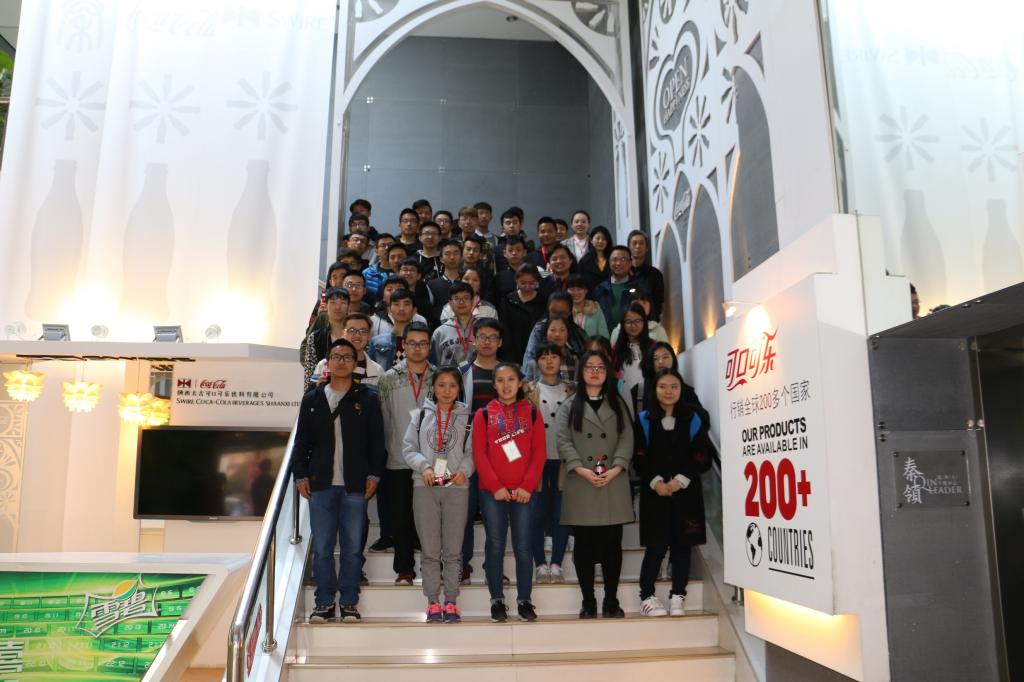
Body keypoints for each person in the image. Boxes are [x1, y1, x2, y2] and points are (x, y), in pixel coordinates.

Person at [295, 338, 385, 623]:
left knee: (352, 548)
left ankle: (348, 602)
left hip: (355, 485)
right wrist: (300, 475)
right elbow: (302, 442)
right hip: (320, 485)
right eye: (336, 356)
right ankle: (323, 603)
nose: (342, 362)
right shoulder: (313, 398)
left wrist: (374, 475)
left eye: (347, 357)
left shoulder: (367, 398)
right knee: (322, 548)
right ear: (328, 362)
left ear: (355, 363)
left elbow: (377, 442)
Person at [556, 350, 634, 619]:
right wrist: (580, 468)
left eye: (600, 367)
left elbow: (627, 438)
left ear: (607, 373)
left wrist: (616, 468)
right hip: (581, 482)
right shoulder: (569, 405)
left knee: (613, 546)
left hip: (613, 481)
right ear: (581, 371)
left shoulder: (617, 403)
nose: (595, 371)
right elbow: (563, 440)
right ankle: (588, 601)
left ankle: (611, 600)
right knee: (584, 548)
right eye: (589, 367)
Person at [472, 362, 546, 622]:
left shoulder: (533, 413)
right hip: (493, 493)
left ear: (520, 383)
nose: (506, 385)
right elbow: (479, 454)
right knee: (495, 545)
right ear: (494, 385)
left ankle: (525, 600)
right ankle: (497, 600)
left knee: (524, 546)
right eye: (501, 380)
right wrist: (496, 487)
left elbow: (539, 453)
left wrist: (527, 486)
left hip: (524, 492)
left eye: (511, 379)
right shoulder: (483, 414)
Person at [636, 369, 712, 617]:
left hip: (686, 495)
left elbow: (701, 455)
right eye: (663, 386)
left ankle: (678, 595)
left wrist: (680, 480)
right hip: (654, 494)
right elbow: (638, 455)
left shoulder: (694, 419)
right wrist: (656, 482)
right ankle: (646, 596)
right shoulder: (643, 419)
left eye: (674, 386)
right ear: (654, 390)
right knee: (655, 546)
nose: (668, 391)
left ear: (681, 390)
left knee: (682, 546)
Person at [403, 367, 475, 623]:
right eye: (441, 385)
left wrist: (464, 471)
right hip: (425, 487)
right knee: (430, 550)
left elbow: (473, 453)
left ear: (459, 389)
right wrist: (424, 467)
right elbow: (408, 448)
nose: (446, 391)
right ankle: (433, 602)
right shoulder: (420, 415)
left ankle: (452, 601)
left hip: (456, 488)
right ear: (433, 388)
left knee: (453, 550)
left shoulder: (468, 418)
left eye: (452, 385)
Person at [377, 322, 434, 584]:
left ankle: (434, 567)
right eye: (412, 343)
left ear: (430, 346)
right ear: (404, 345)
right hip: (398, 459)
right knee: (400, 518)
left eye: (422, 343)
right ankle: (404, 569)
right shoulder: (389, 378)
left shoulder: (440, 377)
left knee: (431, 518)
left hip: (432, 462)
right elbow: (384, 419)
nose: (417, 348)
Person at [458, 317, 503, 585]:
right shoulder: (462, 372)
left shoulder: (508, 373)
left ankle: (493, 567)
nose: (487, 342)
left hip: (499, 455)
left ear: (500, 342)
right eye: (482, 336)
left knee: (495, 516)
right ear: (474, 339)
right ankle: (462, 565)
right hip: (467, 453)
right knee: (463, 514)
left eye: (492, 337)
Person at [525, 342, 574, 585]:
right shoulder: (529, 390)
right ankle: (540, 564)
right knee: (535, 515)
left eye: (554, 356)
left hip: (564, 461)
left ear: (561, 360)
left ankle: (556, 563)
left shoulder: (571, 391)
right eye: (543, 357)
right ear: (537, 362)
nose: (549, 361)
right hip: (537, 462)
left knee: (561, 514)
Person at [498, 264, 547, 364]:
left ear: (537, 282)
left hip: (535, 350)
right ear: (516, 280)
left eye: (531, 283)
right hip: (511, 349)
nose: (527, 286)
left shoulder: (543, 301)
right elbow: (505, 329)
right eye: (523, 283)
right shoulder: (508, 300)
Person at [303, 287, 349, 391]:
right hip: (322, 392)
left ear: (348, 307)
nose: (338, 307)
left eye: (343, 303)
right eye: (332, 302)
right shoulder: (315, 337)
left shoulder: (354, 336)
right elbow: (309, 374)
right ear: (326, 305)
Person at [614, 303, 655, 415]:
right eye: (628, 322)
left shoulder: (653, 346)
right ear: (623, 324)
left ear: (644, 322)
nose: (633, 325)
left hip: (649, 397)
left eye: (637, 321)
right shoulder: (616, 349)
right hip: (624, 398)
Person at [369, 289, 418, 371]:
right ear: (389, 310)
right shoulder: (377, 342)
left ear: (414, 310)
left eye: (406, 304)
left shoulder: (422, 342)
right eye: (396, 304)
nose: (401, 308)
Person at [431, 282, 477, 367]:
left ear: (472, 301)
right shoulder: (440, 332)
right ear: (450, 303)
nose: (461, 302)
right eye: (456, 298)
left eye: (466, 298)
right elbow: (434, 365)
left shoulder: (482, 328)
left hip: (477, 375)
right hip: (448, 375)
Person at [594, 246, 640, 330]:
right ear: (609, 262)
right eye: (614, 259)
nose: (618, 263)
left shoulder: (639, 288)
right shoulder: (600, 289)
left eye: (623, 259)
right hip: (606, 335)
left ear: (630, 263)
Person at [627, 230, 665, 322]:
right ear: (628, 247)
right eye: (634, 243)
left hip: (649, 323)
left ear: (647, 248)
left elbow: (659, 303)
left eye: (641, 243)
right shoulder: (622, 273)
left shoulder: (655, 274)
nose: (638, 246)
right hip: (626, 322)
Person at [342, 313, 383, 387]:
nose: (357, 335)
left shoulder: (378, 371)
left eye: (363, 331)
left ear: (369, 336)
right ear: (343, 334)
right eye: (352, 330)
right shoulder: (325, 366)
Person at [426, 239, 463, 320]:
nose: (452, 257)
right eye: (447, 254)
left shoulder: (467, 282)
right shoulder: (431, 284)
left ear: (461, 257)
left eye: (456, 253)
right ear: (441, 259)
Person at [567, 273, 609, 339]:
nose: (576, 293)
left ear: (586, 290)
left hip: (592, 345)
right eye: (572, 289)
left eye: (579, 289)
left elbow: (604, 335)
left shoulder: (595, 308)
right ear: (567, 291)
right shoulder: (564, 310)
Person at [491, 235, 529, 303]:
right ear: (504, 253)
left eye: (518, 250)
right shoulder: (498, 278)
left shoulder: (532, 275)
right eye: (510, 250)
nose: (514, 253)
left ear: (524, 252)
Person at [578, 225, 612, 290]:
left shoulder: (613, 258)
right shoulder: (585, 260)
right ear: (591, 240)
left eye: (604, 239)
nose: (600, 241)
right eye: (597, 238)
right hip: (591, 294)